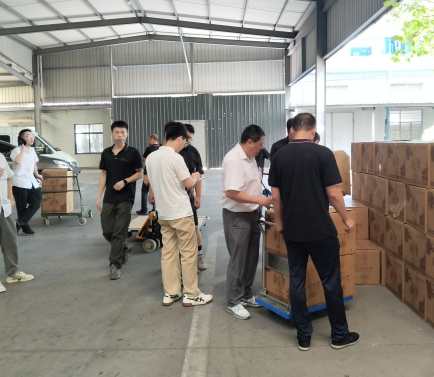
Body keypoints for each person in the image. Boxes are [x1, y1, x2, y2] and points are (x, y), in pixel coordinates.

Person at [268, 113, 359, 351]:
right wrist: (347, 219)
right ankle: (339, 336)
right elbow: (334, 193)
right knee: (331, 282)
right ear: (312, 130)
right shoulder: (323, 154)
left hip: (293, 231)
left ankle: (303, 337)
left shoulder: (279, 156)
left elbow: (275, 197)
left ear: (293, 129)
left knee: (296, 280)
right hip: (321, 231)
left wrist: (280, 222)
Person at [146, 122, 212, 307]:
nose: (186, 144)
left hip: (163, 213)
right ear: (180, 138)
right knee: (188, 253)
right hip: (181, 212)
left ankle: (171, 292)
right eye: (186, 140)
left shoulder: (151, 157)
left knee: (168, 253)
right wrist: (196, 176)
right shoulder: (175, 158)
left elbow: (151, 182)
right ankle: (191, 294)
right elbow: (189, 183)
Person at [221, 125, 272, 320]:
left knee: (251, 256)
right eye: (260, 144)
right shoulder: (233, 160)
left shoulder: (250, 158)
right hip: (237, 216)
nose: (261, 148)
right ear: (250, 141)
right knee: (238, 259)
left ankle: (245, 293)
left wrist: (259, 203)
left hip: (252, 213)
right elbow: (232, 192)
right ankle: (234, 301)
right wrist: (259, 200)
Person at [0, 124, 34, 296]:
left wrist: (11, 198)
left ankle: (13, 272)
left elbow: (8, 178)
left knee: (10, 241)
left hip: (5, 207)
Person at [96, 121, 143, 280]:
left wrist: (125, 181)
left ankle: (114, 265)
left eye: (122, 132)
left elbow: (139, 173)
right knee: (107, 231)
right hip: (109, 197)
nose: (119, 135)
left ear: (127, 134)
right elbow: (104, 175)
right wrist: (99, 197)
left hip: (126, 197)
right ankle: (124, 246)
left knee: (119, 232)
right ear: (112, 134)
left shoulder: (133, 152)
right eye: (116, 132)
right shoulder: (106, 153)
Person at [179, 124, 207, 271]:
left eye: (190, 138)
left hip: (189, 197)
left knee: (194, 227)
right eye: (186, 137)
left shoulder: (194, 152)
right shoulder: (173, 152)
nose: (188, 140)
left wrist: (198, 196)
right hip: (175, 198)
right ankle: (179, 260)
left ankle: (199, 256)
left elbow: (198, 175)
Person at [11, 129, 43, 235]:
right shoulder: (16, 150)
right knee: (21, 207)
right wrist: (23, 150)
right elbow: (17, 161)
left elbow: (33, 163)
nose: (32, 138)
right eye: (28, 135)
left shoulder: (32, 150)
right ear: (22, 139)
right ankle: (25, 228)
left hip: (32, 181)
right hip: (20, 182)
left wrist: (37, 174)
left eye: (32, 135)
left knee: (36, 203)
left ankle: (20, 222)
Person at [137, 134, 160, 215]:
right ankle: (155, 209)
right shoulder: (160, 148)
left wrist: (145, 159)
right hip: (158, 172)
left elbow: (144, 158)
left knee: (145, 190)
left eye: (149, 140)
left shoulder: (149, 149)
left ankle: (144, 209)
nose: (148, 141)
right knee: (156, 190)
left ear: (152, 140)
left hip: (149, 172)